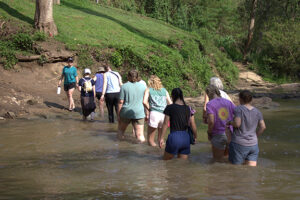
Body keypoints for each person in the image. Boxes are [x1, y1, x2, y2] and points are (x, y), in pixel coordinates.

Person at [227, 90, 266, 166]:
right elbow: (263, 127)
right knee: (251, 170)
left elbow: (237, 124)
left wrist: (230, 122)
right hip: (253, 144)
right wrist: (255, 136)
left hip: (239, 144)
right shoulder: (257, 111)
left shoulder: (238, 109)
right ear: (251, 99)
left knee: (235, 169)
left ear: (240, 99)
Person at [158, 88, 197, 160]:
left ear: (172, 96)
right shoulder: (189, 108)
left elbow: (165, 124)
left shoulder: (170, 107)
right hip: (186, 138)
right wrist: (195, 136)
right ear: (182, 96)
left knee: (165, 162)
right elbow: (193, 125)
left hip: (174, 137)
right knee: (182, 165)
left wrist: (161, 138)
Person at [205, 85, 235, 161]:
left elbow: (211, 121)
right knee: (226, 159)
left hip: (218, 134)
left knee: (217, 161)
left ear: (208, 94)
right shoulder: (228, 102)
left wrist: (209, 132)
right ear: (218, 92)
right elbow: (237, 114)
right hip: (230, 134)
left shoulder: (210, 104)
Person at [117, 69, 147, 142]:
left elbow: (121, 102)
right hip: (139, 112)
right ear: (137, 77)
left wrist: (118, 114)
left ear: (128, 77)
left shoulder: (124, 87)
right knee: (140, 135)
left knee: (120, 132)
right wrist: (147, 113)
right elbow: (145, 101)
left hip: (126, 112)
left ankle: (120, 149)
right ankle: (140, 151)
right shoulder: (143, 87)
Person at [143, 75, 172, 146]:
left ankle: (152, 154)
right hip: (164, 115)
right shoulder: (164, 90)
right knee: (161, 139)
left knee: (150, 139)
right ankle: (160, 152)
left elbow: (144, 101)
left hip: (154, 114)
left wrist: (149, 109)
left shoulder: (148, 89)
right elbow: (170, 103)